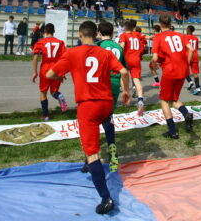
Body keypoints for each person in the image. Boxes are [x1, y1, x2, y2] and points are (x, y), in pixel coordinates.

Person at [46, 21, 130, 215]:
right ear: (96, 34)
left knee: (92, 152)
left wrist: (59, 77)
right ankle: (112, 154)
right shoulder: (106, 53)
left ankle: (105, 197)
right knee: (107, 128)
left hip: (88, 106)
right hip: (106, 102)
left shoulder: (73, 52)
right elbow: (124, 71)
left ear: (80, 34)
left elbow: (50, 73)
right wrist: (126, 91)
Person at [151, 15, 194, 138]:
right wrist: (187, 63)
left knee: (164, 100)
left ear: (160, 25)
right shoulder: (181, 35)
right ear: (170, 24)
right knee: (174, 99)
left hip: (170, 70)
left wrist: (154, 65)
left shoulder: (158, 37)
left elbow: (154, 57)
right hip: (182, 70)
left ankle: (172, 130)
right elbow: (191, 49)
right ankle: (186, 113)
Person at [94, 21, 127, 172]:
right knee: (108, 117)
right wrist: (125, 89)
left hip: (100, 84)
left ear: (99, 32)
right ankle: (112, 150)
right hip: (114, 85)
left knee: (93, 119)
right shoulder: (119, 47)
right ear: (113, 33)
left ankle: (91, 157)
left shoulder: (98, 46)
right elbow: (123, 70)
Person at [32, 23, 68, 120]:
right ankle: (59, 96)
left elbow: (35, 58)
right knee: (54, 91)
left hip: (45, 69)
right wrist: (62, 72)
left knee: (43, 92)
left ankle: (45, 115)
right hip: (56, 69)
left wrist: (35, 72)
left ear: (44, 32)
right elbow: (65, 58)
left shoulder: (41, 42)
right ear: (54, 31)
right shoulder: (60, 42)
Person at [119, 19, 146, 116]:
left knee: (123, 78)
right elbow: (144, 38)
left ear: (124, 27)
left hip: (127, 59)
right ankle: (140, 100)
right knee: (137, 80)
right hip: (136, 59)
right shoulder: (137, 34)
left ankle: (126, 97)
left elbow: (122, 45)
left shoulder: (123, 35)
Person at [184, 25, 201, 95]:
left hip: (188, 55)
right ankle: (198, 88)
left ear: (188, 30)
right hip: (195, 55)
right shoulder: (196, 38)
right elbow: (196, 48)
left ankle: (190, 81)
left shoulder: (185, 37)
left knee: (184, 70)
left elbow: (184, 47)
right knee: (195, 72)